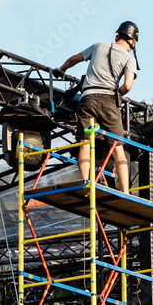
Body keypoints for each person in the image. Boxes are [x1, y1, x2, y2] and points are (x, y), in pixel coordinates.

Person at [55, 21, 139, 193]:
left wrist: (61, 70)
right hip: (109, 101)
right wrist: (118, 94)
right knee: (118, 149)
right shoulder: (130, 58)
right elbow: (128, 86)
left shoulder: (98, 46)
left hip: (87, 99)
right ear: (133, 42)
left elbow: (73, 60)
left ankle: (84, 182)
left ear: (117, 36)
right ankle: (125, 192)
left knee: (85, 143)